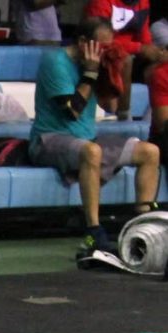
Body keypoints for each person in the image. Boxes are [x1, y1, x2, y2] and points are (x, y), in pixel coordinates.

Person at [28, 16, 162, 256]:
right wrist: (89, 74)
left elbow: (111, 106)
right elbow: (72, 111)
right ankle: (93, 230)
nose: (104, 52)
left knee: (150, 151)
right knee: (92, 151)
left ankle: (143, 227)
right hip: (49, 139)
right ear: (82, 42)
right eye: (101, 47)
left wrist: (119, 72)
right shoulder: (55, 61)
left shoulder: (96, 62)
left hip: (86, 140)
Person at [83, 0, 168, 118]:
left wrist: (155, 53)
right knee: (125, 59)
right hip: (99, 52)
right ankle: (124, 116)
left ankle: (154, 117)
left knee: (162, 64)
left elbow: (144, 37)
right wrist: (139, 48)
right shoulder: (101, 2)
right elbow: (100, 40)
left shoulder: (143, 2)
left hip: (133, 53)